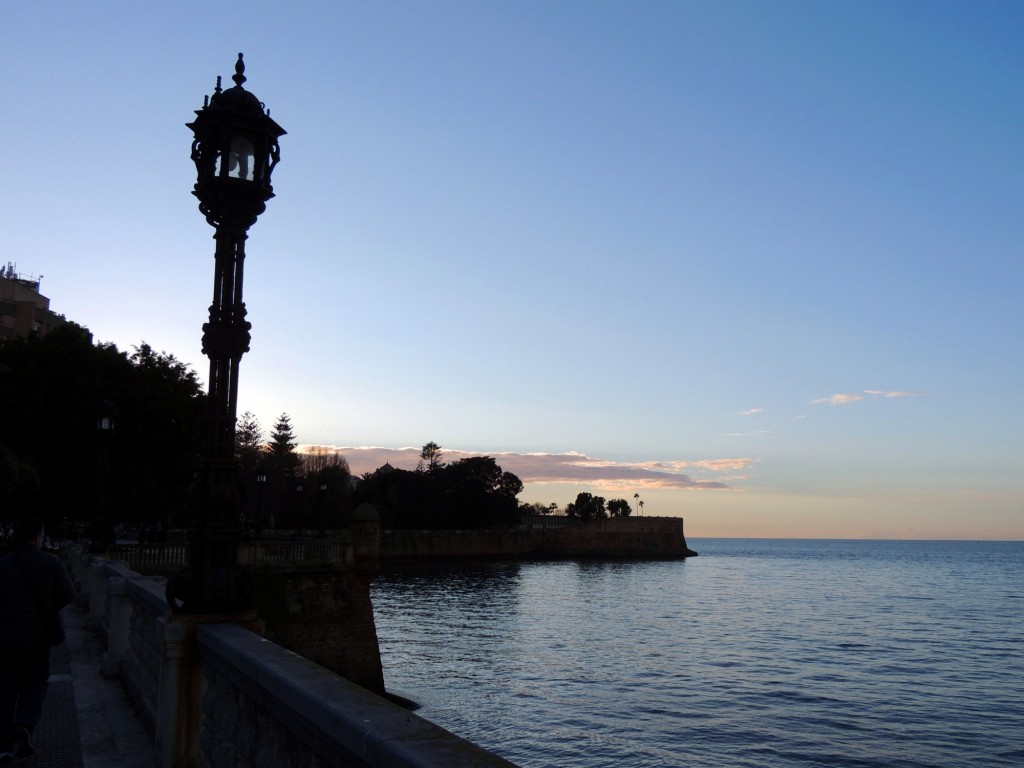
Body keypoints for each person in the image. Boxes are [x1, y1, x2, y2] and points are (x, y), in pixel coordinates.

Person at [0, 519, 75, 763]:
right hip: (38, 637)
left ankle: (3, 744)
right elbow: (67, 595)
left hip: (5, 639)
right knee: (35, 683)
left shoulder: (2, 565)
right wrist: (46, 607)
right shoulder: (50, 563)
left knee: (5, 688)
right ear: (37, 538)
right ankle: (24, 725)